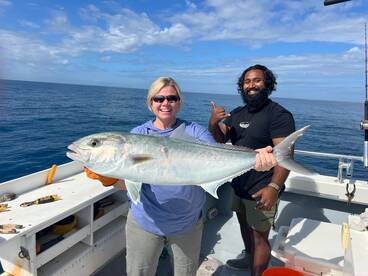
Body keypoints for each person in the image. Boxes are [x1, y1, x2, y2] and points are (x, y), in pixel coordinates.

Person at [84, 76, 277, 276]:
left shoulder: (195, 132)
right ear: (151, 103)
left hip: (188, 223)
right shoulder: (138, 135)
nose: (165, 103)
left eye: (171, 98)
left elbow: (217, 155)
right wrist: (109, 178)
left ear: (179, 102)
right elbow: (129, 183)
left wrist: (256, 158)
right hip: (145, 222)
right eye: (158, 99)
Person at [208, 65, 295, 276]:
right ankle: (248, 257)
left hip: (263, 186)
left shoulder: (279, 115)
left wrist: (274, 187)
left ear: (268, 84)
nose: (251, 85)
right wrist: (213, 122)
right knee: (243, 225)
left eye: (257, 80)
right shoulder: (238, 113)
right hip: (239, 184)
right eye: (247, 81)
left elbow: (286, 156)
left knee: (260, 236)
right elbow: (220, 139)